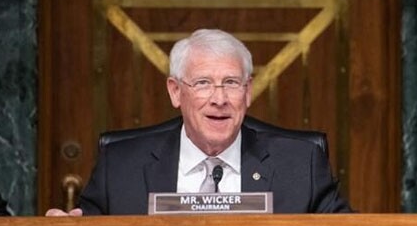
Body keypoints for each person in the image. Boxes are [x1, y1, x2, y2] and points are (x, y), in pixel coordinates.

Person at [47, 29, 351, 215]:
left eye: (231, 83)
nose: (219, 99)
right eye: (203, 83)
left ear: (248, 92)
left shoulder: (300, 165)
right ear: (176, 91)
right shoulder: (122, 166)